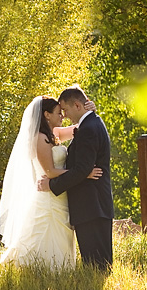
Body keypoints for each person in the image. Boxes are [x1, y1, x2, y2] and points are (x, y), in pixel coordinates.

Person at [0, 95, 102, 269]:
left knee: (62, 234)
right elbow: (50, 172)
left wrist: (90, 109)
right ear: (46, 115)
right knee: (46, 234)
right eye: (58, 113)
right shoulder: (39, 138)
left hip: (61, 196)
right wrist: (83, 174)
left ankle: (62, 271)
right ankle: (43, 270)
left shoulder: (55, 133)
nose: (62, 116)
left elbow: (82, 126)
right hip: (48, 197)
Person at [37, 86, 114, 270]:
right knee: (96, 263)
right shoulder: (89, 124)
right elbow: (80, 169)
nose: (64, 115)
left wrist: (52, 185)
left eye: (66, 110)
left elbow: (81, 170)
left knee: (96, 264)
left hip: (91, 205)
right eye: (60, 112)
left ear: (78, 105)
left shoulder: (88, 128)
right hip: (91, 205)